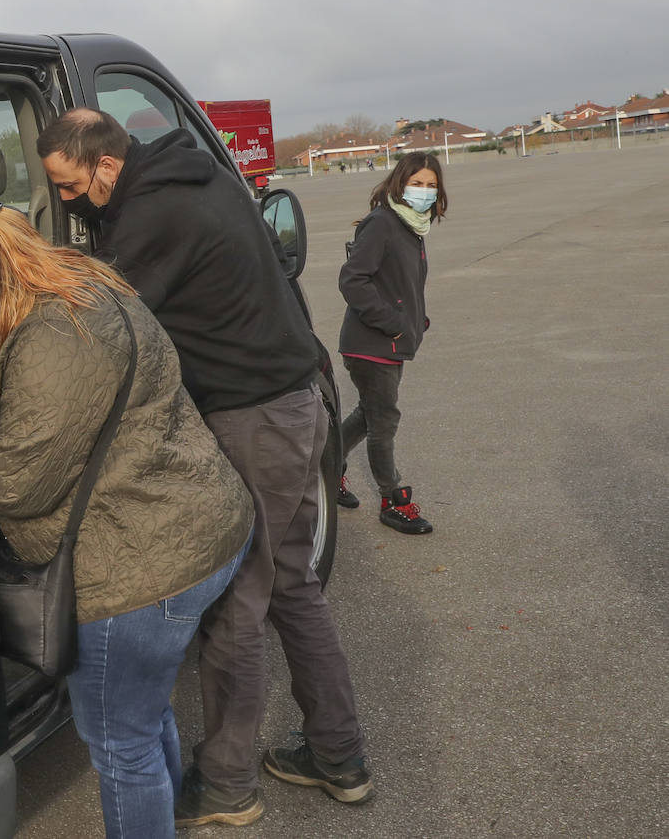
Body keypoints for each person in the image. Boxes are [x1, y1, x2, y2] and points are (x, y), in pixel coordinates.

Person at [38, 109, 373, 826]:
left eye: (68, 187)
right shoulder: (200, 175)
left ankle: (227, 785)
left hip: (253, 420)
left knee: (235, 605)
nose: (64, 202)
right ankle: (339, 754)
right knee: (290, 582)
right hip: (296, 402)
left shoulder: (150, 218)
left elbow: (103, 330)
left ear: (104, 167)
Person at [0, 201, 253, 839]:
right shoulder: (94, 288)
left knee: (121, 747)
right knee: (146, 718)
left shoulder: (49, 341)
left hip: (138, 572)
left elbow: (17, 485)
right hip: (199, 529)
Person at [336, 151, 446, 534]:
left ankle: (325, 467)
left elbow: (399, 284)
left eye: (431, 185)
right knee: (384, 419)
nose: (425, 191)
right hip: (372, 343)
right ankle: (391, 498)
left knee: (369, 414)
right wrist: (395, 323)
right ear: (401, 183)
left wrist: (416, 319)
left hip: (389, 340)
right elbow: (353, 280)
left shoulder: (411, 226)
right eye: (418, 183)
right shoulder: (383, 222)